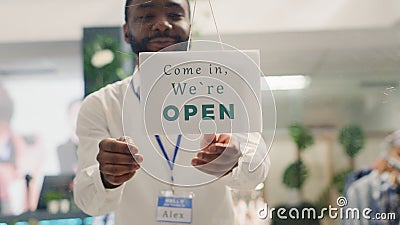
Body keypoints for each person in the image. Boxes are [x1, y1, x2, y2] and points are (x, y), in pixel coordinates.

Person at [73, 0, 270, 224]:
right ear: (126, 32)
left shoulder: (223, 90)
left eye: (175, 15)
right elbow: (88, 202)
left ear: (190, 28)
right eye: (146, 16)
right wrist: (106, 177)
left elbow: (258, 170)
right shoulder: (101, 106)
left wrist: (237, 158)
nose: (162, 25)